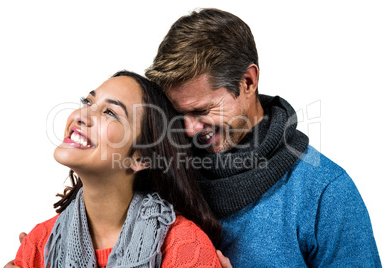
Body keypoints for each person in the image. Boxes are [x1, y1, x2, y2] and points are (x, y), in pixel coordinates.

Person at [144, 8, 382, 267]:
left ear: (248, 81)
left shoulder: (326, 191)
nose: (189, 129)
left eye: (201, 110)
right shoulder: (165, 174)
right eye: (178, 114)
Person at [9, 71, 223, 267]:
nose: (80, 116)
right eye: (88, 101)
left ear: (140, 158)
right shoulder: (39, 244)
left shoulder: (185, 247)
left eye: (110, 112)